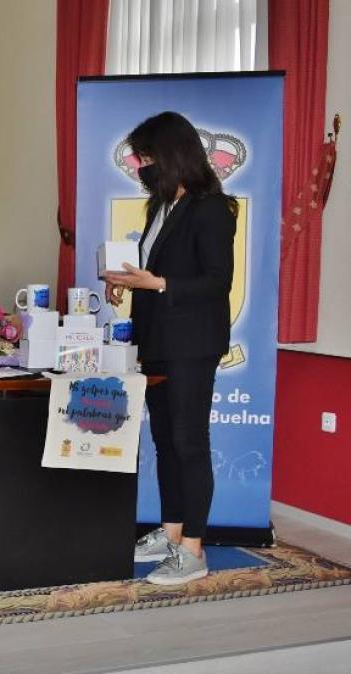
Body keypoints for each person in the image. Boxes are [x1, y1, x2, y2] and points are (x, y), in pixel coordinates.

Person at [104, 111, 237, 586]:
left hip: (192, 343)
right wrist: (128, 285)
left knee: (189, 443)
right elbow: (155, 272)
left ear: (173, 153)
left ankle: (194, 551)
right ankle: (172, 530)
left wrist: (155, 282)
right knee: (164, 443)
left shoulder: (210, 209)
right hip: (156, 339)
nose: (143, 165)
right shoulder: (160, 206)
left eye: (149, 155)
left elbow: (216, 281)